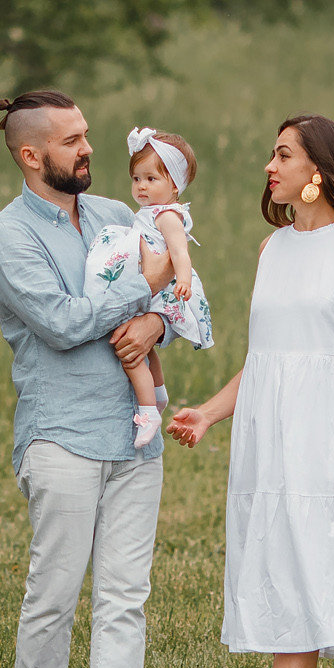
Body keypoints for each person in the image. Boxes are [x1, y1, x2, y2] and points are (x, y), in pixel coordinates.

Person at [170, 114, 334, 668]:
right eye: (273, 155)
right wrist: (209, 413)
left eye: (283, 155)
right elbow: (267, 360)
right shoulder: (272, 250)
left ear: (317, 170)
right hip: (269, 439)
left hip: (326, 435)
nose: (270, 166)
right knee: (285, 567)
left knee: (305, 569)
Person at [0, 90, 183, 668]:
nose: (88, 148)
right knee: (55, 589)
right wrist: (145, 290)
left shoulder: (117, 214)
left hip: (134, 433)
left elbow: (169, 302)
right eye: (71, 141)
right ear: (31, 155)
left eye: (86, 134)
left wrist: (156, 324)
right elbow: (63, 324)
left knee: (126, 593)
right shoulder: (10, 236)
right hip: (61, 433)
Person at [80, 127, 212, 448]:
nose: (141, 186)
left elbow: (180, 252)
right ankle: (158, 393)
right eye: (137, 178)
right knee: (145, 346)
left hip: (161, 289)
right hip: (149, 284)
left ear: (175, 185)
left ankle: (148, 411)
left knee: (128, 351)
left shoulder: (167, 216)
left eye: (151, 179)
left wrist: (183, 279)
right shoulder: (152, 212)